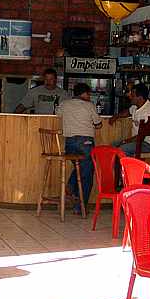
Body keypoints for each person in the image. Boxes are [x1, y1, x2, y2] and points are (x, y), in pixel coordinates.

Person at [56, 82, 102, 214]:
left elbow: (57, 114)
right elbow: (98, 124)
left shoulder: (65, 104)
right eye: (88, 94)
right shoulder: (89, 105)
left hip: (69, 144)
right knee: (87, 175)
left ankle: (71, 184)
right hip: (85, 142)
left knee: (80, 166)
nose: (89, 96)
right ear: (84, 93)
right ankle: (80, 208)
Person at [110, 83, 150, 156]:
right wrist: (116, 116)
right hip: (139, 142)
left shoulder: (148, 112)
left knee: (122, 148)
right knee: (113, 145)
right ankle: (118, 167)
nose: (130, 97)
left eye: (133, 95)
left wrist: (125, 141)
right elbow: (128, 112)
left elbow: (141, 136)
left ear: (140, 97)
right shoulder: (136, 107)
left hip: (149, 145)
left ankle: (128, 167)